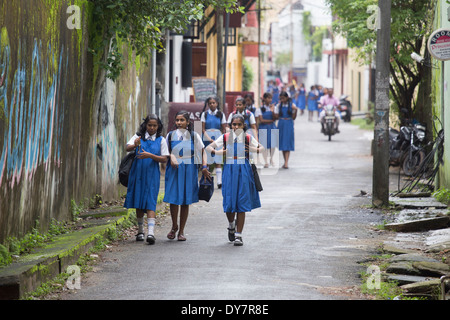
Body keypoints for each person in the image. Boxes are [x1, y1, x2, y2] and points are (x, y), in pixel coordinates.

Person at [206, 114, 263, 246]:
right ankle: (231, 225)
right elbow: (209, 148)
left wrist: (253, 149)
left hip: (244, 171)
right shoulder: (225, 137)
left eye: (239, 124)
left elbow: (262, 148)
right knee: (229, 201)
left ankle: (239, 235)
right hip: (229, 171)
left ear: (243, 126)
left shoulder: (248, 138)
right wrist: (222, 152)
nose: (236, 127)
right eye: (234, 124)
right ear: (231, 126)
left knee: (242, 202)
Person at [164, 110, 211, 241]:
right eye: (177, 120)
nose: (179, 123)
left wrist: (205, 166)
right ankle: (174, 226)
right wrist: (171, 156)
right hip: (174, 169)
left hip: (189, 168)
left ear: (188, 122)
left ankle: (181, 231)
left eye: (182, 120)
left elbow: (203, 152)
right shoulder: (170, 135)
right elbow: (165, 151)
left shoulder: (194, 135)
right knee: (173, 199)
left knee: (185, 200)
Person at [124, 114, 169, 244]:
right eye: (150, 125)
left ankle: (151, 233)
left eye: (155, 126)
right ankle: (140, 231)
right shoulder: (138, 137)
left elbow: (164, 158)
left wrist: (150, 155)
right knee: (138, 201)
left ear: (158, 126)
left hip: (152, 174)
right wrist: (135, 145)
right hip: (137, 173)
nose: (152, 128)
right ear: (145, 125)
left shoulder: (161, 140)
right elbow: (127, 147)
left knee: (150, 201)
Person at [201, 96, 227, 188]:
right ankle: (206, 181)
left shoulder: (221, 114)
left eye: (214, 103)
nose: (212, 104)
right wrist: (208, 138)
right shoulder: (204, 114)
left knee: (218, 160)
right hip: (207, 137)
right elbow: (203, 129)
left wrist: (221, 140)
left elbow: (224, 129)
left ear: (217, 104)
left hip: (218, 137)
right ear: (208, 104)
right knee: (207, 159)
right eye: (210, 103)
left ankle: (219, 182)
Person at [255, 92, 279, 168]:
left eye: (271, 98)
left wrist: (272, 111)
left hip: (272, 127)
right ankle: (266, 161)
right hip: (263, 127)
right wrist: (271, 120)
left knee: (273, 144)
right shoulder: (259, 109)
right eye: (268, 98)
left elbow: (275, 118)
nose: (270, 100)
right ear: (264, 99)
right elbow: (261, 120)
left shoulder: (274, 108)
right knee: (264, 145)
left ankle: (271, 158)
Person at [277, 91, 298, 169]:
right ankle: (285, 161)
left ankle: (286, 162)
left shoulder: (292, 105)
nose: (282, 100)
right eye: (281, 98)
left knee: (287, 143)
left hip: (289, 123)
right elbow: (276, 116)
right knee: (282, 143)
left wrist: (295, 110)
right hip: (281, 124)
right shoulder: (279, 106)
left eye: (283, 98)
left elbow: (294, 117)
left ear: (287, 98)